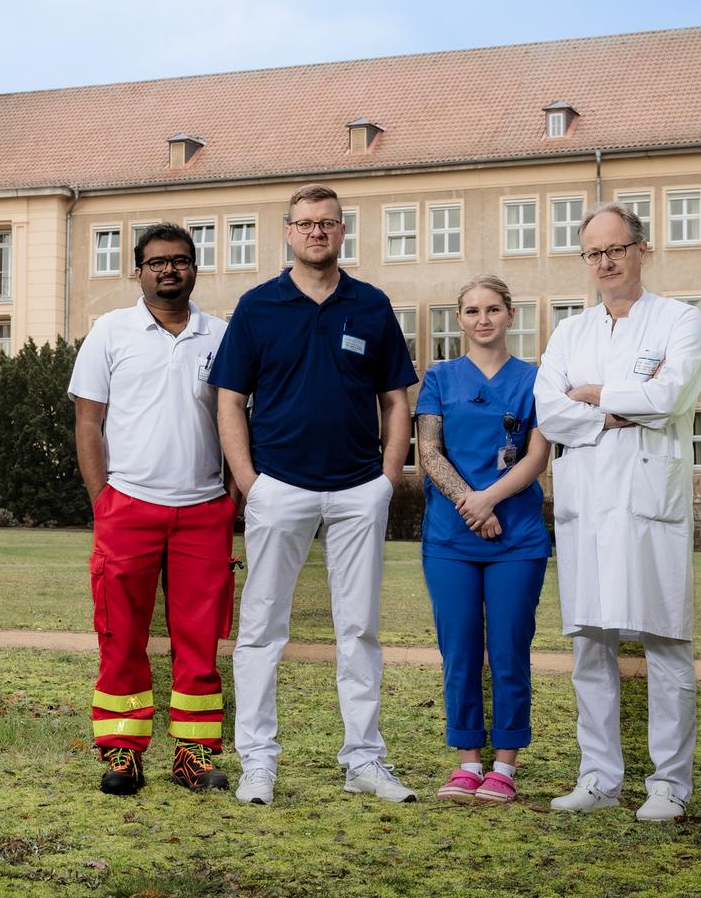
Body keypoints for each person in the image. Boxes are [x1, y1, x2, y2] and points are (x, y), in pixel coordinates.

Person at [210, 183, 420, 807]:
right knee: (261, 630)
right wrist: (249, 482)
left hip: (359, 490)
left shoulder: (373, 305)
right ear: (288, 232)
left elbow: (395, 400)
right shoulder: (257, 306)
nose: (317, 233)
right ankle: (257, 761)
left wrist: (387, 478)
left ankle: (364, 759)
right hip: (280, 488)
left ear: (342, 231)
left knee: (359, 629)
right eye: (305, 224)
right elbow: (229, 400)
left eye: (327, 223)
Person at [534, 202, 701, 822]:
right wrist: (618, 411)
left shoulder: (679, 321)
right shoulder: (569, 332)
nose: (605, 262)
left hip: (648, 506)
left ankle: (670, 784)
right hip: (589, 507)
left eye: (616, 249)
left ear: (642, 249)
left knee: (666, 643)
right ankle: (599, 776)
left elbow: (675, 392)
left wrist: (596, 396)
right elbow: (548, 412)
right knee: (590, 645)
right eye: (594, 253)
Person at [70, 222, 235, 796]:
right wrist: (103, 503)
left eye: (181, 260)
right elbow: (88, 422)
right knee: (121, 634)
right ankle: (122, 753)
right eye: (157, 261)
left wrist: (233, 497)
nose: (170, 269)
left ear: (195, 267)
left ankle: (194, 753)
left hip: (202, 510)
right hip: (128, 507)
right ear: (138, 270)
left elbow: (240, 422)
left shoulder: (222, 335)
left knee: (201, 637)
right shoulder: (110, 332)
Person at [414, 275, 553, 804]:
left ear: (510, 314)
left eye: (493, 309)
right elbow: (429, 452)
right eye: (471, 311)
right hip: (451, 538)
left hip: (516, 538)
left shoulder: (535, 379)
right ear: (460, 320)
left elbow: (538, 457)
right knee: (461, 651)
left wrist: (488, 500)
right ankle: (467, 760)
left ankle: (505, 766)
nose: (482, 319)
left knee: (510, 650)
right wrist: (472, 507)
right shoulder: (440, 378)